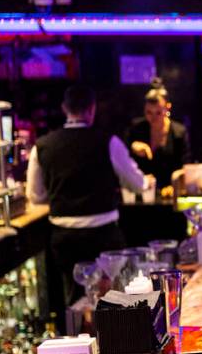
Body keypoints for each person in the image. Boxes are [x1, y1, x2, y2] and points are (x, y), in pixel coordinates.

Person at [27, 85, 153, 306]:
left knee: (74, 304)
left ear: (64, 108)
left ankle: (78, 337)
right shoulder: (108, 141)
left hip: (65, 238)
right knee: (114, 302)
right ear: (91, 109)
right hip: (104, 237)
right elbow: (137, 183)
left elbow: (35, 196)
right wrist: (145, 182)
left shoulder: (42, 146)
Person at [126, 83, 190, 189]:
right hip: (142, 190)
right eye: (149, 112)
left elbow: (186, 166)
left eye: (158, 113)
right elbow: (123, 159)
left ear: (167, 108)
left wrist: (175, 185)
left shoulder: (179, 132)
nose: (153, 118)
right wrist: (132, 147)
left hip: (170, 190)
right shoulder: (137, 128)